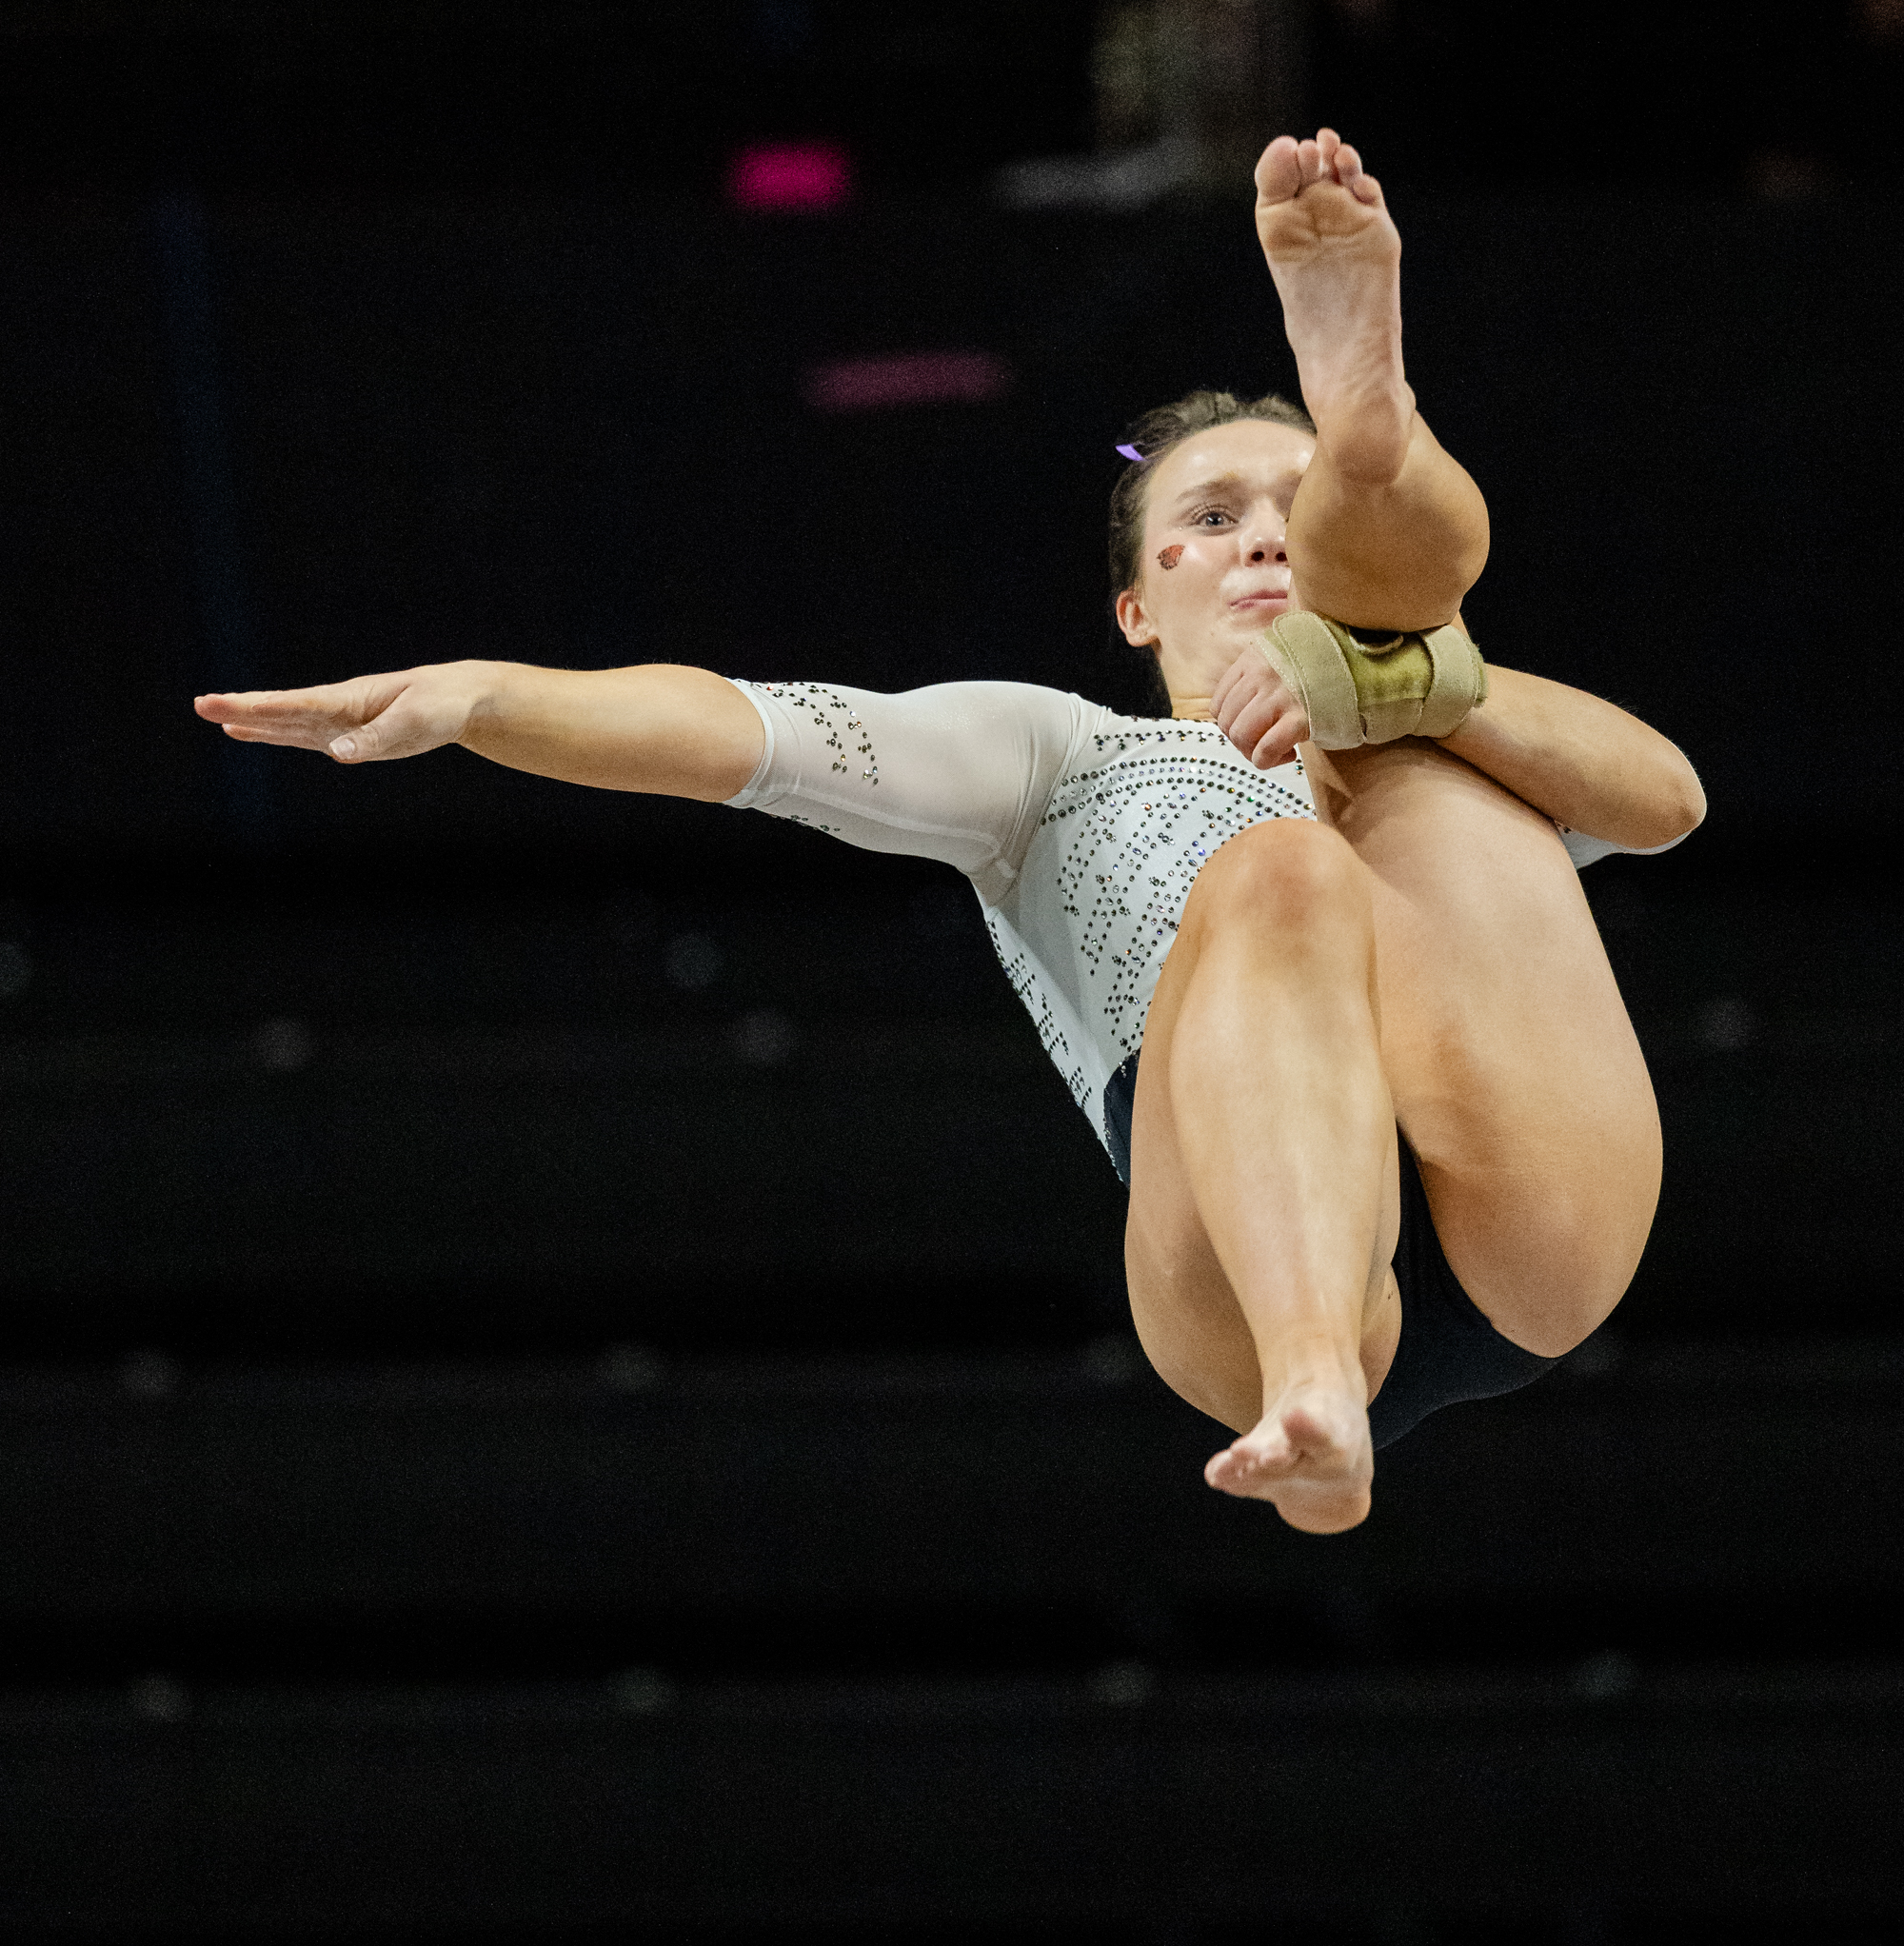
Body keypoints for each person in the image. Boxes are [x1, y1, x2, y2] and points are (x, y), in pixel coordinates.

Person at [196, 129, 1704, 1537]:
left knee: (1418, 734)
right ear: (1135, 606)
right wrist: (488, 696)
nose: (1257, 537)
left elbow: (1662, 799)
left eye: (1292, 510)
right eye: (1214, 513)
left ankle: (1377, 426)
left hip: (1524, 1204)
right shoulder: (1059, 751)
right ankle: (1320, 1384)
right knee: (1287, 863)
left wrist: (1375, 680)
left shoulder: (1424, 727)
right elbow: (742, 730)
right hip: (1237, 1273)